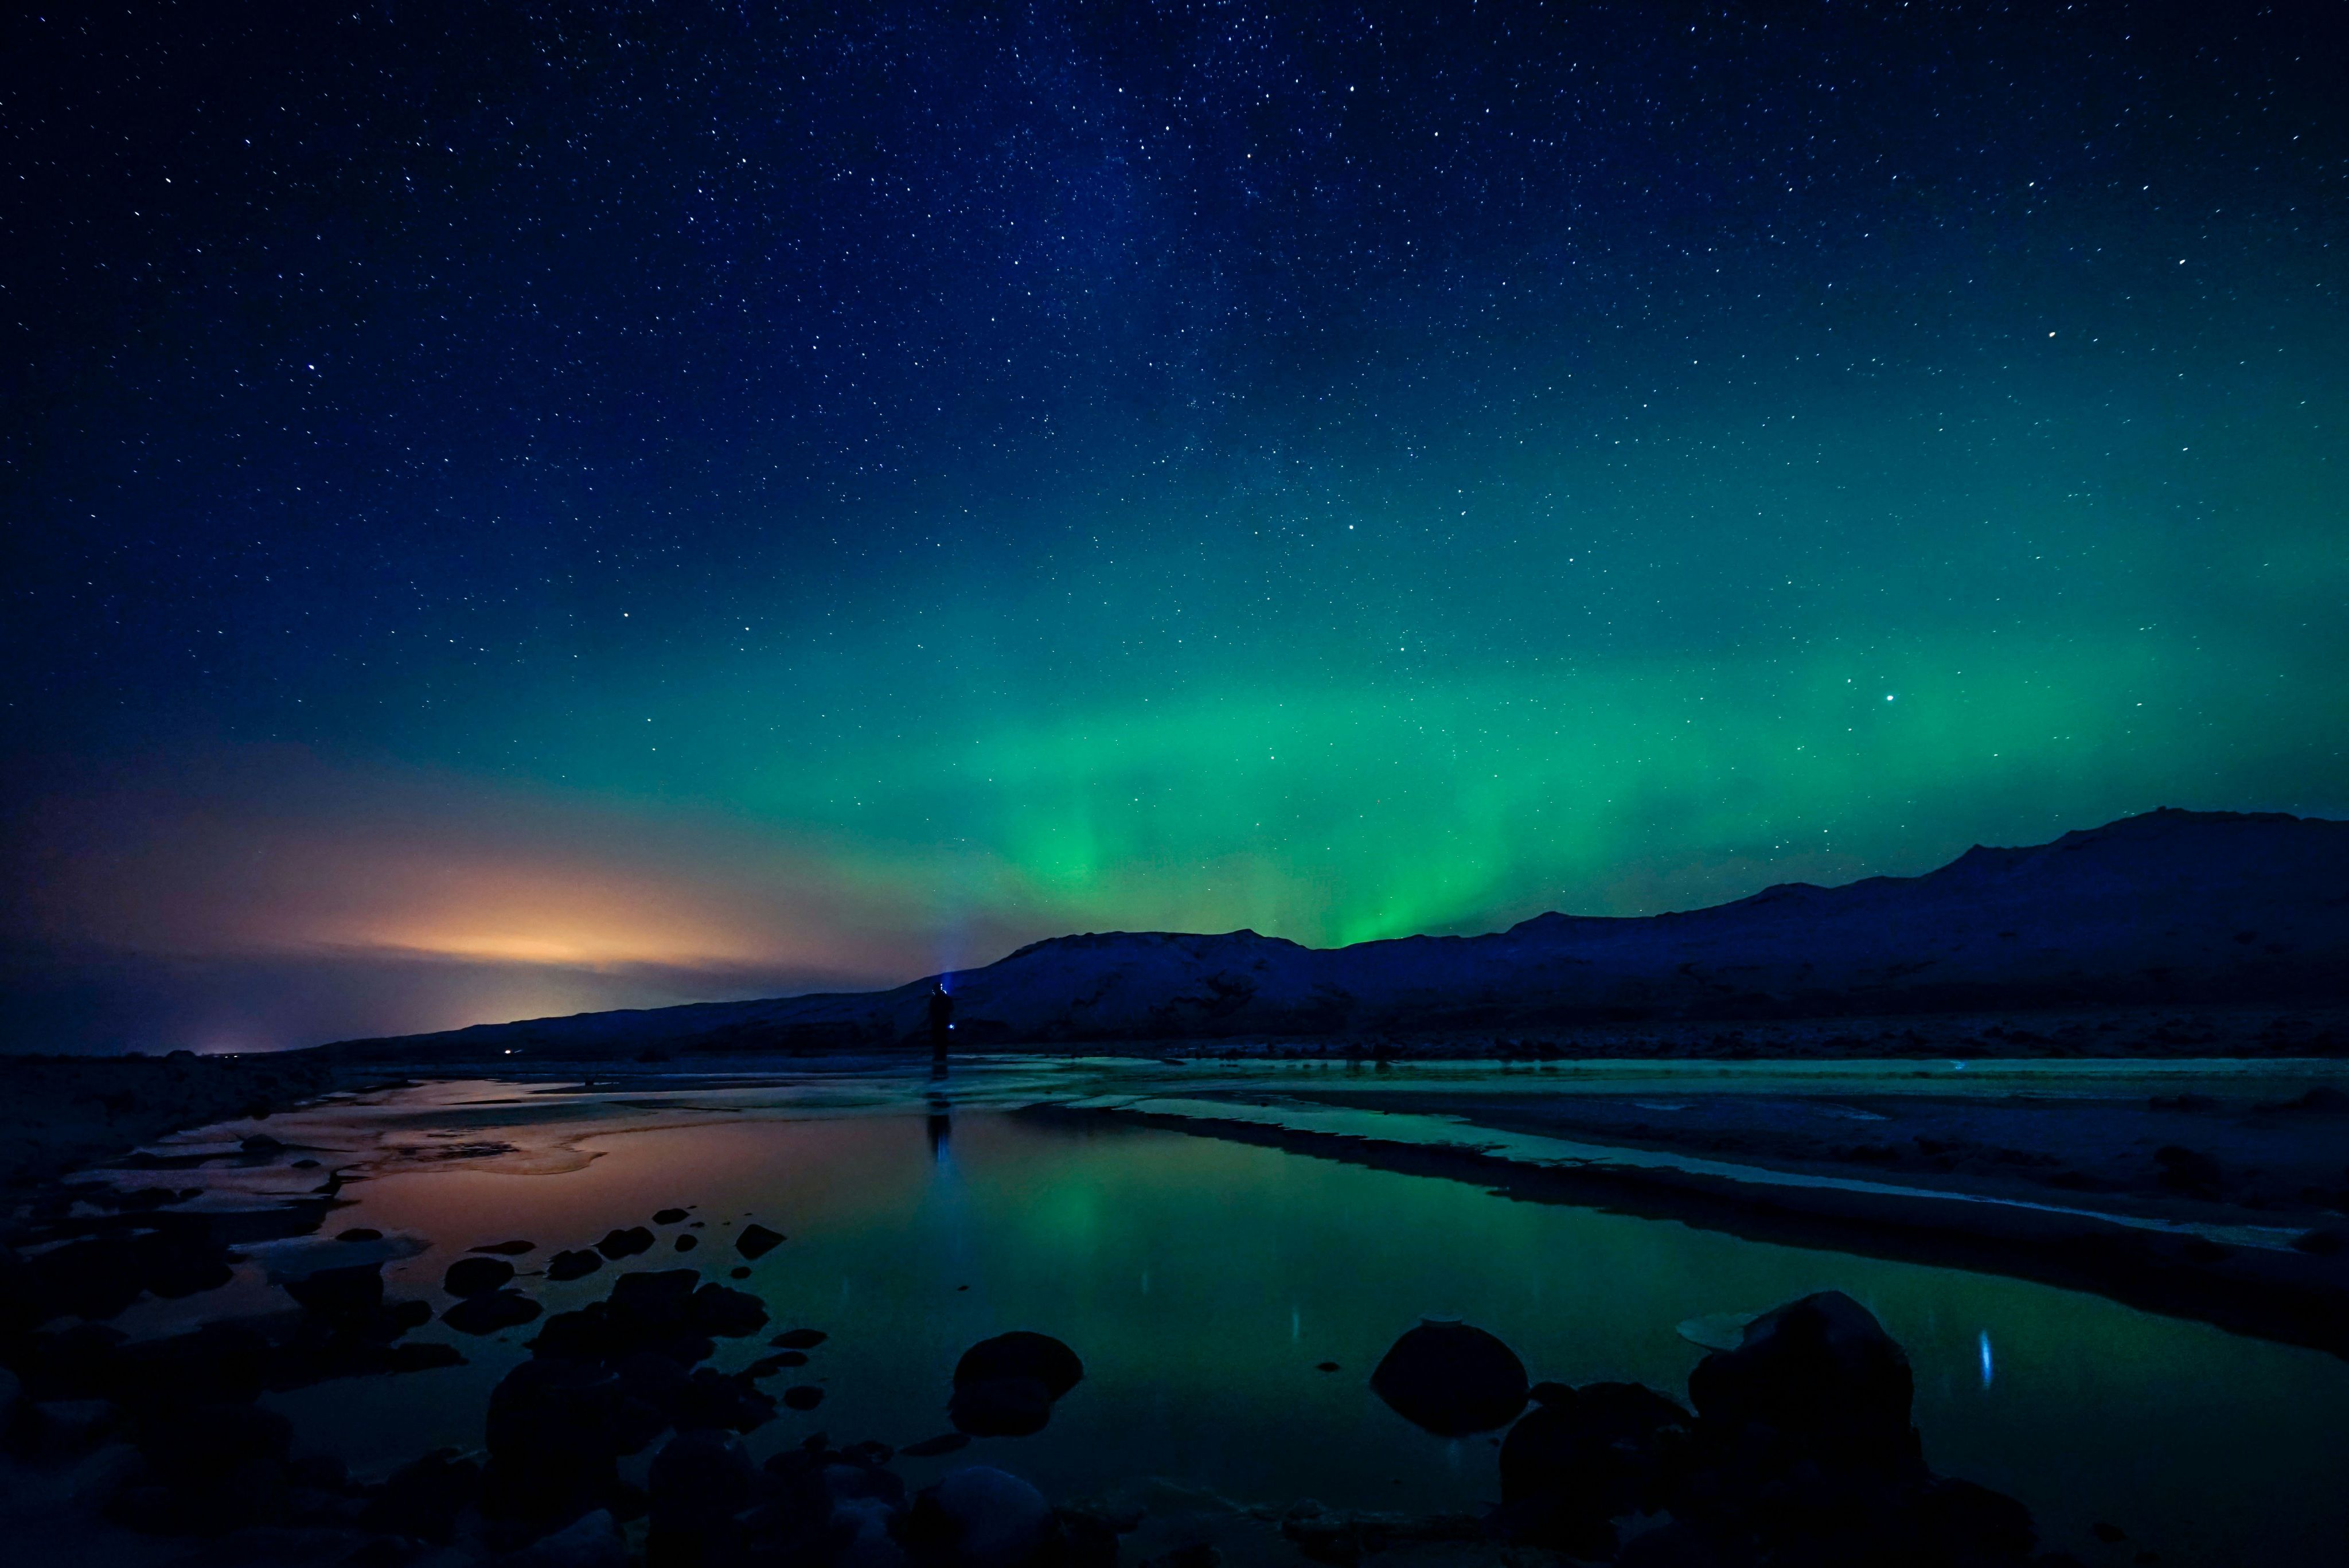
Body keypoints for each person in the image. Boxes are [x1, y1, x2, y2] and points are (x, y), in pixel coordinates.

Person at [927, 980, 953, 1064]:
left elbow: (931, 1012)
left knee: (938, 1039)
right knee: (942, 1039)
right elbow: (951, 1009)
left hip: (938, 1022)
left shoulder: (935, 1000)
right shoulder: (946, 998)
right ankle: (941, 1056)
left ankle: (939, 1056)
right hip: (943, 1022)